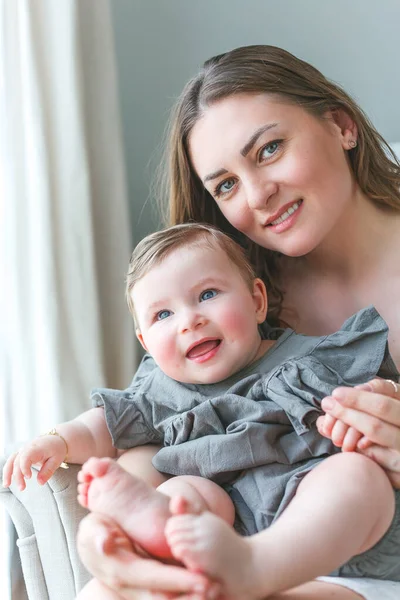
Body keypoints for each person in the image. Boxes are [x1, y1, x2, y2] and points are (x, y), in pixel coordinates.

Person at [75, 45, 400, 600]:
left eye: (270, 149)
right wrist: (111, 530)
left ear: (342, 126)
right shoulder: (225, 301)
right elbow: (162, 435)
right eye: (225, 184)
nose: (257, 195)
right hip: (250, 550)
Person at [4, 223, 400, 600]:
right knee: (183, 494)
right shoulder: (160, 392)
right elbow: (102, 427)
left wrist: (359, 417)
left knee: (355, 475)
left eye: (207, 294)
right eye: (163, 315)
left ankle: (257, 564)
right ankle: (160, 527)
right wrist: (55, 441)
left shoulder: (309, 361)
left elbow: (366, 403)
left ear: (257, 301)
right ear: (145, 342)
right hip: (222, 538)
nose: (189, 321)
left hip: (326, 536)